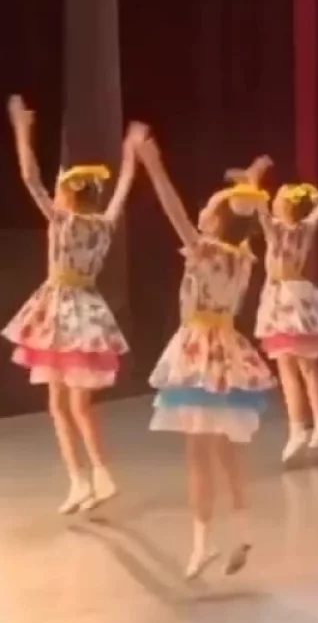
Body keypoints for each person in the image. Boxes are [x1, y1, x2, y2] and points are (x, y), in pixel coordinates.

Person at [134, 131, 276, 580]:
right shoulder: (244, 258)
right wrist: (251, 182)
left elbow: (174, 210)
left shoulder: (205, 251)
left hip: (199, 350)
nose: (204, 212)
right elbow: (245, 217)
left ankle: (202, 543)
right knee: (228, 449)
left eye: (211, 208)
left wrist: (153, 165)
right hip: (228, 350)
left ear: (216, 222)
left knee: (198, 452)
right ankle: (243, 528)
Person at [4, 95, 141, 515]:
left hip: (61, 308)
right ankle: (87, 478)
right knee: (71, 404)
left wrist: (22, 131)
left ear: (66, 196)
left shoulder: (61, 220)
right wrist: (130, 154)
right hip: (85, 308)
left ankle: (91, 475)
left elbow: (29, 178)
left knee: (64, 405)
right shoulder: (103, 224)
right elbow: (123, 188)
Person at [231, 164, 318, 463]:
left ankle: (297, 428)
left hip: (282, 298)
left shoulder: (276, 228)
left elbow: (259, 207)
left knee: (288, 367)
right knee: (309, 367)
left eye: (278, 198)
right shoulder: (306, 227)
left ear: (285, 206)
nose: (274, 201)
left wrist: (252, 179)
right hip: (301, 295)